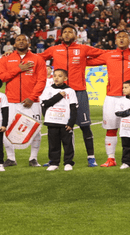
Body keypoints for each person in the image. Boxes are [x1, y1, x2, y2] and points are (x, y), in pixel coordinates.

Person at [39, 24, 106, 167]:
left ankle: (91, 157)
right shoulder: (54, 49)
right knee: (57, 127)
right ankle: (54, 159)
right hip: (59, 92)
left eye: (70, 32)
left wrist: (87, 62)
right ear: (61, 35)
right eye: (65, 32)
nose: (67, 34)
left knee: (84, 126)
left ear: (76, 35)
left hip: (78, 91)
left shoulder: (83, 49)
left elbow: (103, 54)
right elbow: (38, 58)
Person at [87, 31, 130, 167]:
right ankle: (111, 158)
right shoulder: (109, 55)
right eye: (119, 37)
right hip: (112, 97)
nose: (122, 39)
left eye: (125, 37)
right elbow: (88, 62)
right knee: (111, 128)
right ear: (115, 41)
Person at [0, 34, 46, 168]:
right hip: (11, 101)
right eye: (18, 40)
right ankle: (11, 158)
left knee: (36, 130)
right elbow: (1, 78)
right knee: (7, 129)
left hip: (32, 102)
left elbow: (42, 81)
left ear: (29, 43)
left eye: (24, 40)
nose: (21, 42)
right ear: (14, 44)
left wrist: (32, 97)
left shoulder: (37, 59)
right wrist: (19, 69)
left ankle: (33, 158)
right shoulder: (6, 58)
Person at [40, 69, 77, 171]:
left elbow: (73, 108)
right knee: (53, 144)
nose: (56, 78)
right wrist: (59, 96)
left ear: (65, 78)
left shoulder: (70, 91)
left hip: (65, 122)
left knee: (67, 143)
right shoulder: (48, 90)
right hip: (52, 121)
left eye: (60, 76)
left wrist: (71, 123)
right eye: (55, 75)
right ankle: (54, 163)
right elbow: (44, 104)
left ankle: (68, 162)